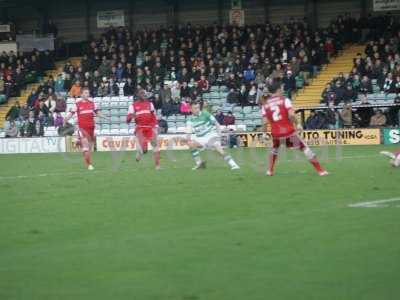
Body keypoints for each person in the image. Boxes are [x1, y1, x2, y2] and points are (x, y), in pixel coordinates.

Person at [261, 80, 328, 176]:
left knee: (274, 149)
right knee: (305, 148)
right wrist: (298, 124)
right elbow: (291, 115)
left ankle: (269, 171)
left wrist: (264, 134)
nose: (283, 89)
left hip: (276, 134)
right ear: (278, 89)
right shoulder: (285, 100)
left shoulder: (265, 105)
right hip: (288, 132)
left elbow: (264, 121)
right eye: (282, 88)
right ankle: (320, 171)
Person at [186, 102, 240, 170]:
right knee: (191, 144)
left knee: (219, 150)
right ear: (190, 109)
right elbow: (188, 132)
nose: (197, 109)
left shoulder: (205, 113)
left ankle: (234, 164)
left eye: (198, 108)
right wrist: (187, 140)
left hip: (211, 135)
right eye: (195, 108)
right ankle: (199, 164)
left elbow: (216, 123)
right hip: (201, 138)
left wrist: (219, 135)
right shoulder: (189, 119)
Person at [64, 87, 107, 170]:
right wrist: (66, 119)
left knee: (88, 149)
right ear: (82, 94)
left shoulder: (92, 103)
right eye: (86, 93)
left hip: (91, 129)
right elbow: (71, 114)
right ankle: (89, 165)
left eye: (88, 93)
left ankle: (78, 142)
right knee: (86, 147)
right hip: (82, 129)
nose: (88, 94)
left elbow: (97, 113)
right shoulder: (77, 104)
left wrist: (104, 117)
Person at [126, 89, 160, 170]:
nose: (144, 95)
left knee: (155, 146)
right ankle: (139, 153)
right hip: (140, 128)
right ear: (139, 95)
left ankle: (157, 166)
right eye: (142, 94)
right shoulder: (133, 106)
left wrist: (156, 126)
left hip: (149, 128)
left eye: (145, 94)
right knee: (141, 150)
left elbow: (153, 116)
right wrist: (131, 117)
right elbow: (127, 120)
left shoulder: (150, 104)